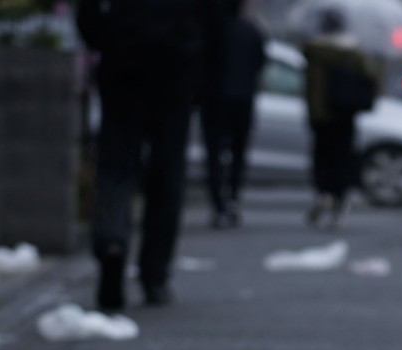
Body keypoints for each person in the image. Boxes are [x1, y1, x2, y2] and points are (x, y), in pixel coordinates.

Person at [77, 0, 206, 308]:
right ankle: (154, 275)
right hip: (177, 67)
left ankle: (112, 246)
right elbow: (214, 16)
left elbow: (88, 12)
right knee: (166, 175)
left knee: (115, 169)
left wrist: (107, 41)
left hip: (123, 62)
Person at [301, 7, 381, 229]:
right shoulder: (354, 53)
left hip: (321, 114)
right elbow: (371, 79)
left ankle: (323, 192)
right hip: (346, 114)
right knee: (343, 156)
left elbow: (308, 85)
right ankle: (339, 200)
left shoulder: (314, 51)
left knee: (322, 155)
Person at [202, 0, 266, 228]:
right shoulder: (252, 31)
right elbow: (260, 63)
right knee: (238, 153)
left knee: (213, 154)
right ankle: (233, 198)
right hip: (243, 100)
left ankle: (218, 203)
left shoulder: (211, 30)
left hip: (214, 99)